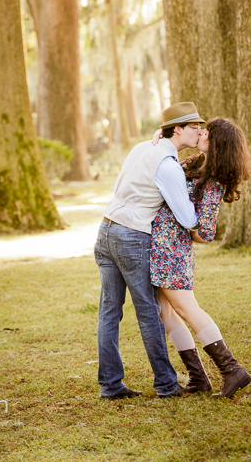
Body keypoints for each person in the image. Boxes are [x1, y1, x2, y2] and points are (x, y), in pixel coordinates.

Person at [95, 102, 205, 399]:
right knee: (149, 312)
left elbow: (119, 185)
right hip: (132, 236)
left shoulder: (142, 147)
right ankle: (167, 385)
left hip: (106, 229)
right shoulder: (169, 167)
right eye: (194, 127)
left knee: (109, 311)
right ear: (178, 129)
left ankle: (110, 385)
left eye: (201, 127)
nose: (200, 132)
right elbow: (187, 219)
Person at [150, 117, 251, 398]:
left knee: (186, 309)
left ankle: (232, 370)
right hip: (162, 246)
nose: (201, 133)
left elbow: (206, 231)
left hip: (172, 249)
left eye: (206, 132)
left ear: (217, 143)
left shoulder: (214, 181)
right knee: (166, 312)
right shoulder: (198, 164)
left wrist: (181, 227)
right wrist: (163, 134)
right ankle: (198, 377)